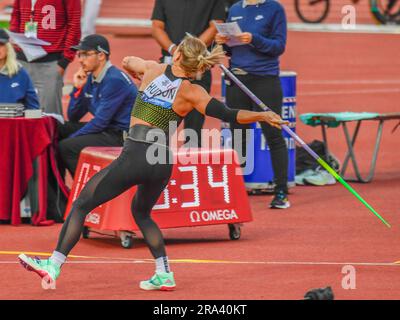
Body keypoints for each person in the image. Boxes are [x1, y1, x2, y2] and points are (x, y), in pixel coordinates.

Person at [18, 35, 287, 291]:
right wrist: (263, 115)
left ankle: (53, 266)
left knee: (81, 204)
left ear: (178, 54)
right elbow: (228, 113)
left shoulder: (153, 70)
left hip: (136, 152)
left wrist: (139, 75)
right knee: (142, 213)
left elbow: (127, 62)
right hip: (161, 160)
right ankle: (163, 273)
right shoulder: (192, 91)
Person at [216, 0, 290, 209]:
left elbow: (279, 46)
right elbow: (230, 51)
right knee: (238, 135)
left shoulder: (274, 9)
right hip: (237, 80)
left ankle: (281, 192)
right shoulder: (236, 9)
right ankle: (236, 190)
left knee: (273, 134)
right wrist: (222, 42)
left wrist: (253, 39)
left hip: (264, 80)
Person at [57, 34, 138, 178]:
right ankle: (57, 196)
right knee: (57, 128)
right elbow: (73, 116)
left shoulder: (114, 80)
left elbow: (100, 122)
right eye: (79, 55)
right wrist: (78, 89)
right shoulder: (92, 77)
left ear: (101, 56)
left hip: (121, 135)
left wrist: (72, 138)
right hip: (107, 129)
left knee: (66, 146)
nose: (80, 60)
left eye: (85, 54)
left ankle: (88, 192)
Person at [151, 0, 226, 147]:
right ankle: (157, 165)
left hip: (197, 67)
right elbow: (156, 27)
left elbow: (215, 25)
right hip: (170, 65)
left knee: (194, 128)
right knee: (160, 125)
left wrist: (190, 51)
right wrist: (174, 49)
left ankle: (190, 166)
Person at [10, 0, 81, 116]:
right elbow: (16, 14)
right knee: (19, 113)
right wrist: (15, 45)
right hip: (22, 59)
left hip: (50, 61)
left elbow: (74, 23)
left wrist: (65, 61)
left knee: (49, 115)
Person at [0, 28, 39, 109]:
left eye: (1, 45)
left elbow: (33, 107)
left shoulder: (21, 74)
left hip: (14, 121)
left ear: (8, 48)